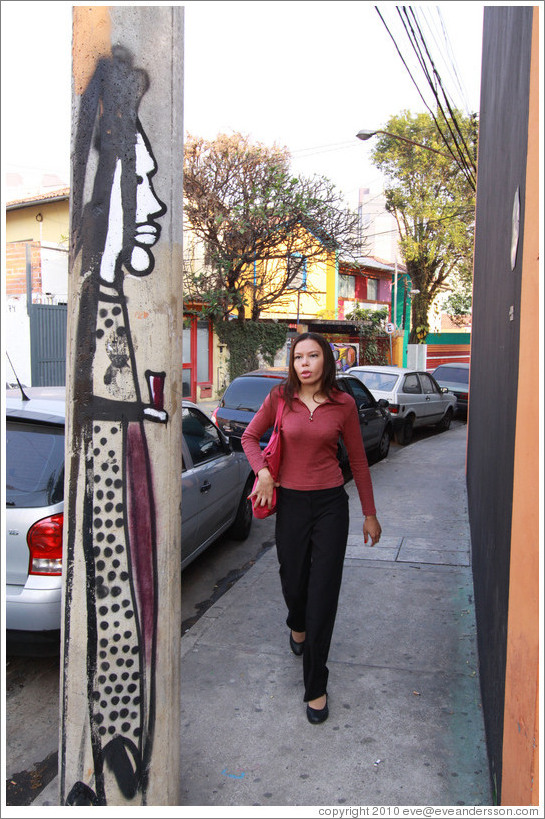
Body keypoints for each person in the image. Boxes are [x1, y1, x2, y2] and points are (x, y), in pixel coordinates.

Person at [241, 332, 381, 724]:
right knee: (293, 581)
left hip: (331, 506)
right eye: (298, 356)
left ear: (326, 361)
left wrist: (369, 512)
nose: (304, 363)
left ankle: (316, 686)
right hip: (292, 505)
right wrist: (263, 472)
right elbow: (251, 438)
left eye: (312, 355)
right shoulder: (279, 400)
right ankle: (296, 624)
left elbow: (357, 460)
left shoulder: (344, 404)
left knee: (324, 594)